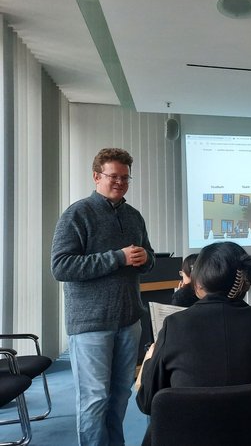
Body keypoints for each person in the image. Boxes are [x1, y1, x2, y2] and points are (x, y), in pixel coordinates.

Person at [51, 148, 155, 446]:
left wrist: (144, 259)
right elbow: (61, 267)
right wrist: (117, 258)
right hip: (91, 324)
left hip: (129, 320)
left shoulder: (133, 216)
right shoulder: (77, 214)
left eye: (125, 177)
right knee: (94, 399)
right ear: (97, 176)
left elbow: (148, 259)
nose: (120, 182)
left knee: (120, 394)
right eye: (113, 176)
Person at [136, 242, 251, 439]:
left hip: (189, 435)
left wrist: (149, 360)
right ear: (244, 282)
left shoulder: (175, 324)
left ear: (198, 282)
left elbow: (146, 402)